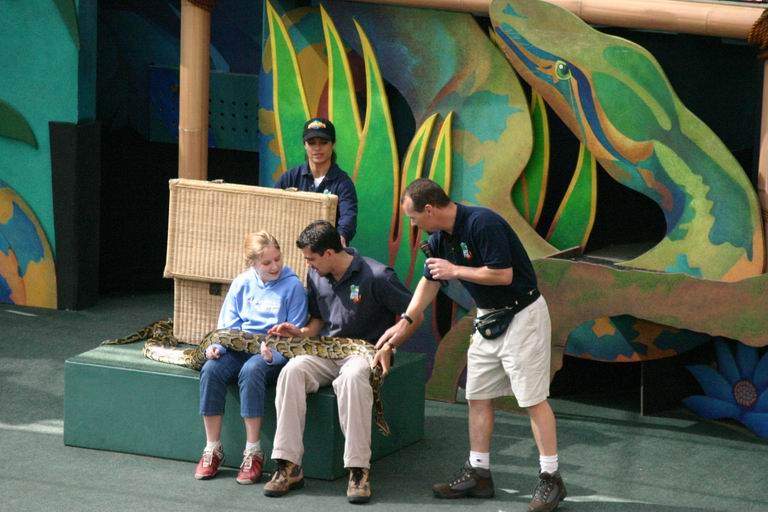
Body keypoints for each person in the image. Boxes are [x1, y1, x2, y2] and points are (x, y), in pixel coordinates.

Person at [374, 178, 566, 512]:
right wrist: (405, 320)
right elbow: (430, 281)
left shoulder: (482, 223)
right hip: (488, 318)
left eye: (414, 218)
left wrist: (455, 269)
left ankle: (551, 478)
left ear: (429, 210)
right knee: (477, 396)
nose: (412, 224)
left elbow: (503, 275)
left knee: (532, 399)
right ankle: (479, 472)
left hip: (522, 316)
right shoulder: (440, 238)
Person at [263, 220, 411, 503]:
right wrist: (299, 333)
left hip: (364, 352)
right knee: (291, 371)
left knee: (352, 378)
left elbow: (412, 315)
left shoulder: (378, 276)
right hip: (326, 349)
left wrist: (389, 346)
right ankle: (288, 465)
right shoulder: (316, 274)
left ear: (329, 253)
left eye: (311, 258)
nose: (307, 264)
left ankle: (358, 470)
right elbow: (318, 320)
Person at [194, 231, 307, 485]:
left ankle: (253, 451)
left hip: (273, 353)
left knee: (252, 369)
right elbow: (228, 326)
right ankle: (212, 448)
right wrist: (216, 348)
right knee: (211, 369)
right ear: (252, 263)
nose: (275, 266)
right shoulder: (241, 283)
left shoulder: (293, 287)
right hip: (239, 348)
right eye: (267, 263)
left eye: (277, 259)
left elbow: (296, 334)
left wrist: (272, 353)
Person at [275, 117, 358, 246]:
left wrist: (341, 237)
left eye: (323, 142)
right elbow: (274, 208)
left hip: (327, 250)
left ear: (333, 144)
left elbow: (348, 217)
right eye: (311, 142)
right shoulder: (289, 177)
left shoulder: (343, 183)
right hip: (291, 245)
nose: (317, 148)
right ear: (305, 145)